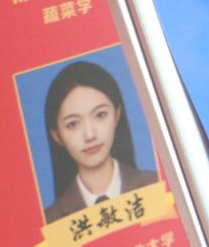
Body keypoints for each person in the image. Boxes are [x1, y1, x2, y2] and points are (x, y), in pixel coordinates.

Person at [40, 59, 157, 224]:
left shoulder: (157, 185)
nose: (90, 135)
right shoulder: (51, 220)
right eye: (73, 124)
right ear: (57, 135)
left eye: (100, 115)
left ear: (116, 115)